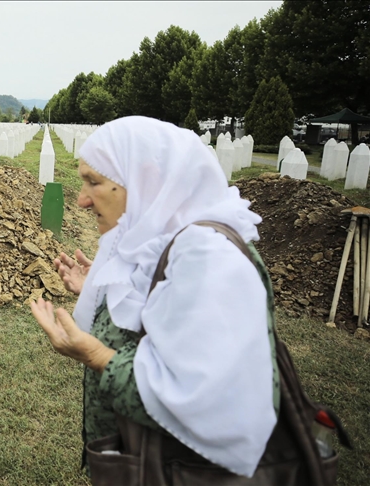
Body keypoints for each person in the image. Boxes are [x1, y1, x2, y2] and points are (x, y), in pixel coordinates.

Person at [29, 116, 278, 478]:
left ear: (146, 180)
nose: (81, 200)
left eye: (94, 182)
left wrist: (96, 355)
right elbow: (168, 307)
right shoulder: (158, 238)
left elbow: (208, 400)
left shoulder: (210, 258)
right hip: (137, 460)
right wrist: (96, 293)